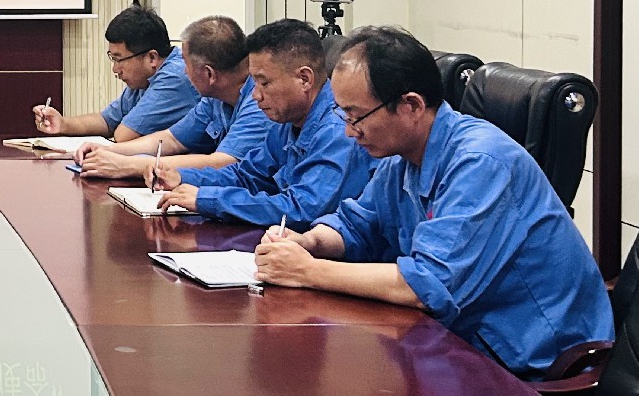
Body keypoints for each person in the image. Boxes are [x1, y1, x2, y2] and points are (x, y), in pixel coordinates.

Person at [253, 26, 612, 379]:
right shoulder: (400, 158)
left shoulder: (480, 163)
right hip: (453, 341)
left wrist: (307, 271)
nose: (349, 130)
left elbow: (427, 284)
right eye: (342, 115)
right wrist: (309, 242)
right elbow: (357, 224)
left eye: (356, 116)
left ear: (410, 106)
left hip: (531, 365)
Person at [151, 18, 371, 229]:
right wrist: (183, 176)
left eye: (264, 82)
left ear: (304, 79)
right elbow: (247, 175)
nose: (255, 95)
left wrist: (209, 199)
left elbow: (302, 209)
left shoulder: (339, 130)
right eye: (254, 82)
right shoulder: (286, 121)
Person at [71, 15, 269, 179]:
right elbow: (172, 139)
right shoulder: (214, 98)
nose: (183, 71)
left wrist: (129, 165)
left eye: (186, 63)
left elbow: (222, 162)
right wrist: (106, 150)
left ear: (209, 74)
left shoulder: (260, 101)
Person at [31, 1, 199, 142]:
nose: (115, 69)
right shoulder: (144, 79)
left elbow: (123, 135)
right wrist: (63, 124)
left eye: (119, 59)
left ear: (152, 58)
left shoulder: (175, 77)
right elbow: (107, 121)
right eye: (113, 59)